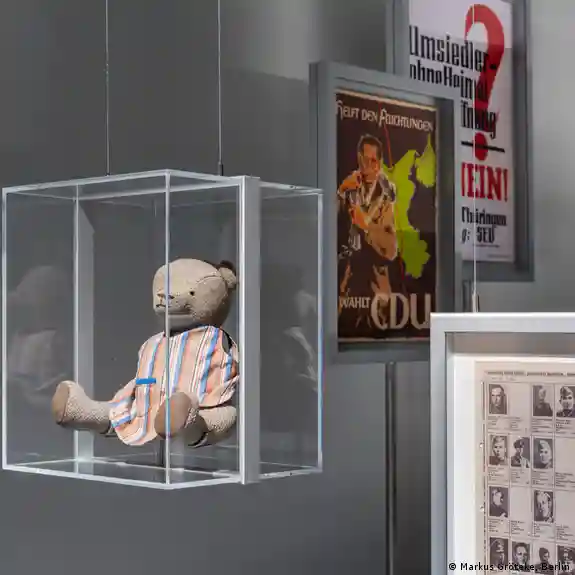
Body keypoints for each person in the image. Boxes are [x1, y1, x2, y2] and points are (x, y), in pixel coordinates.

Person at [337, 134, 397, 334]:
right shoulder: (349, 187)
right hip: (347, 283)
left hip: (375, 286)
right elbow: (326, 225)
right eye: (364, 160)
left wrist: (366, 226)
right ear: (358, 158)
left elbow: (390, 249)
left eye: (373, 161)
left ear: (379, 163)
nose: (368, 167)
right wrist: (341, 191)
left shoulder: (387, 195)